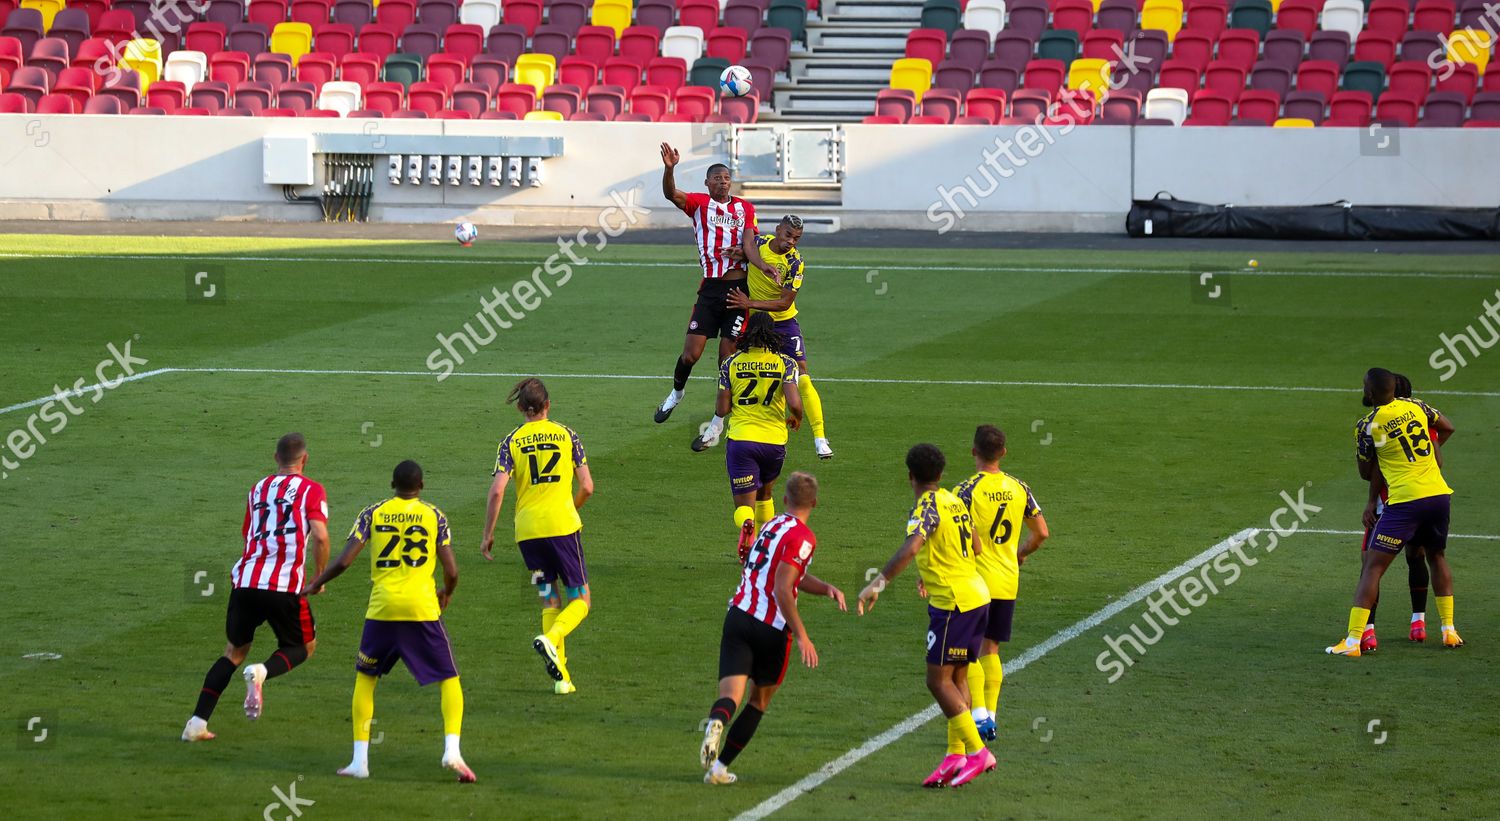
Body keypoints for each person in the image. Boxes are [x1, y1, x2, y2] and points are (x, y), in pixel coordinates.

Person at [302, 460, 475, 782]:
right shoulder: (434, 515)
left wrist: (317, 581)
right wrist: (446, 592)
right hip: (422, 609)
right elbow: (452, 570)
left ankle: (359, 762)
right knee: (448, 678)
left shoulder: (372, 513)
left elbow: (344, 560)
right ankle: (452, 750)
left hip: (382, 610)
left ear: (391, 484)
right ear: (421, 486)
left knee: (365, 679)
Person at [858, 444, 995, 788]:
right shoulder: (954, 500)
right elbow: (975, 547)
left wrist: (877, 583)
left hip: (954, 603)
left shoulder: (927, 505)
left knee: (937, 681)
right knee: (959, 679)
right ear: (940, 475)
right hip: (977, 595)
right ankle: (954, 757)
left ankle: (979, 753)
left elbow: (912, 545)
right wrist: (930, 566)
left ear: (910, 476)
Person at [700, 472, 846, 785]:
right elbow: (783, 587)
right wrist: (803, 635)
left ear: (784, 499)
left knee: (730, 696)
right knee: (758, 701)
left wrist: (825, 588)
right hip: (771, 629)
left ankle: (716, 721)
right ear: (815, 503)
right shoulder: (804, 537)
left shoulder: (771, 525)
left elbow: (790, 574)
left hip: (739, 615)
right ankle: (719, 767)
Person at [182, 433, 328, 742]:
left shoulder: (257, 489)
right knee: (303, 646)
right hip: (283, 585)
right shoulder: (312, 490)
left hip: (245, 580)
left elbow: (246, 532)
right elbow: (321, 535)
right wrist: (318, 577)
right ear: (305, 459)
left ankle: (196, 723)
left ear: (275, 458)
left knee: (233, 652)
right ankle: (262, 672)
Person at [653, 142, 778, 449]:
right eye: (717, 178)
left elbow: (750, 243)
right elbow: (671, 194)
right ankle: (676, 394)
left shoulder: (745, 208)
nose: (723, 181)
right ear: (707, 183)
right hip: (710, 289)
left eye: (727, 177)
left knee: (726, 360)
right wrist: (670, 169)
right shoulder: (698, 204)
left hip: (737, 292)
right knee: (690, 355)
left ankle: (716, 426)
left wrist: (760, 264)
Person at [1327, 368, 1460, 657]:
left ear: (1371, 393)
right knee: (1436, 557)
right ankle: (1448, 630)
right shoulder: (1416, 406)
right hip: (1438, 495)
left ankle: (1352, 641)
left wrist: (1381, 456)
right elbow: (1446, 427)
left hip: (1405, 502)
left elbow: (1365, 472)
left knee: (1372, 567)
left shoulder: (1368, 425)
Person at [481, 378, 594, 694]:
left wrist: (488, 534)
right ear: (548, 405)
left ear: (520, 408)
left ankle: (563, 680)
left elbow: (497, 490)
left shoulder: (510, 441)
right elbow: (587, 487)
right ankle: (552, 638)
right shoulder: (567, 435)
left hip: (527, 532)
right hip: (562, 528)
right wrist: (568, 508)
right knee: (581, 599)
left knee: (549, 597)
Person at [952, 425, 1048, 741]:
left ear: (973, 452)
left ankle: (979, 716)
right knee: (990, 649)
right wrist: (1021, 553)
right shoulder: (1020, 488)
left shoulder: (965, 491)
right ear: (1003, 453)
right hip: (1007, 580)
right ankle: (990, 717)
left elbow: (955, 538)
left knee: (966, 653)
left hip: (975, 581)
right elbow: (1041, 533)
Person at [725, 214, 834, 460]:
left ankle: (820, 438)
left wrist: (749, 302)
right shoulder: (760, 243)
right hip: (755, 325)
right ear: (777, 230)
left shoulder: (795, 263)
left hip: (783, 323)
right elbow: (750, 250)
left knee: (803, 378)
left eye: (797, 238)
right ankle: (723, 425)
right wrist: (741, 254)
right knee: (736, 369)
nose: (791, 242)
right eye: (788, 235)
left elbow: (785, 303)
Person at [1355, 373, 1450, 651]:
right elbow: (1440, 456)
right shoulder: (1421, 422)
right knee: (1419, 557)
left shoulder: (1374, 425)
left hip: (1393, 502)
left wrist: (1372, 501)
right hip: (1428, 498)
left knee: (1370, 566)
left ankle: (1365, 633)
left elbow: (1370, 472)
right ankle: (1419, 624)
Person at [706, 311, 804, 560]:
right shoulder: (786, 363)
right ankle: (766, 548)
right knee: (765, 495)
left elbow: (723, 409)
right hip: (774, 442)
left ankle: (747, 525)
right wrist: (798, 417)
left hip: (742, 440)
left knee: (744, 507)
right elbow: (795, 403)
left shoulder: (731, 363)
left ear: (747, 332)